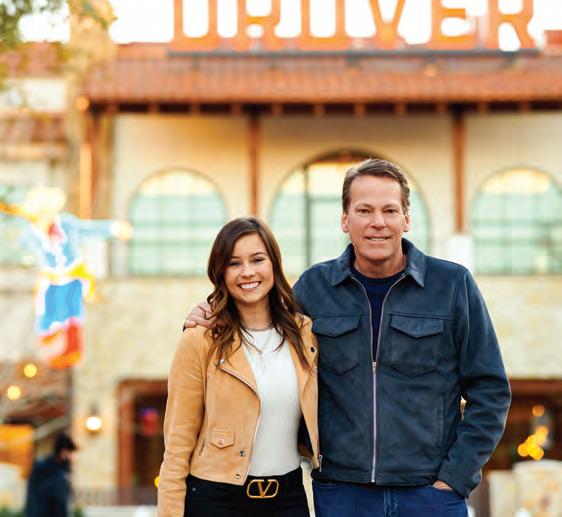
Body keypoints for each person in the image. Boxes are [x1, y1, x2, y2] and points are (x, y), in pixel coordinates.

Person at [184, 159, 511, 516]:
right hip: (342, 494)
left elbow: (490, 389)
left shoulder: (452, 285)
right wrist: (214, 313)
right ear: (345, 219)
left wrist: (455, 477)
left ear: (406, 218)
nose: (377, 222)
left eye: (389, 210)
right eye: (364, 210)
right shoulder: (313, 288)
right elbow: (262, 325)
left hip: (429, 496)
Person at [158, 217, 319, 517]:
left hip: (288, 499)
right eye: (234, 263)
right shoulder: (200, 340)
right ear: (221, 272)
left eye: (257, 259)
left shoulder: (304, 334)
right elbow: (177, 445)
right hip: (216, 500)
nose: (247, 272)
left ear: (274, 264)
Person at [25, 433, 77, 517]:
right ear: (62, 451)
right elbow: (36, 498)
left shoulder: (63, 469)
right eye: (70, 452)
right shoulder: (44, 468)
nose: (72, 457)